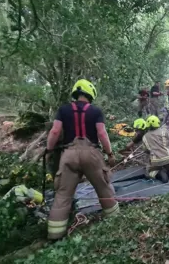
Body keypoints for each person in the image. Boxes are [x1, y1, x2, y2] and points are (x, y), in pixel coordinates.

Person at [45, 79, 119, 240]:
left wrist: (49, 150)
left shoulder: (63, 110)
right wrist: (110, 153)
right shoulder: (95, 111)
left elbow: (55, 131)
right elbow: (102, 134)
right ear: (90, 94)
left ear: (76, 93)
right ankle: (115, 220)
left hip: (69, 154)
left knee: (63, 194)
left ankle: (55, 234)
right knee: (103, 187)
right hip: (91, 154)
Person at [142, 115, 169, 183]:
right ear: (158, 123)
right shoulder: (163, 131)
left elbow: (146, 150)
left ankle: (157, 173)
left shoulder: (144, 137)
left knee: (149, 169)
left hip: (156, 161)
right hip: (168, 158)